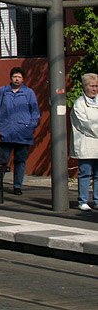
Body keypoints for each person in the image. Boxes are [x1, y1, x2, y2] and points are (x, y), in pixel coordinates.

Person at [0, 67, 40, 195]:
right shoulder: (3, 91)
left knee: (20, 161)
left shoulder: (29, 93)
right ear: (10, 78)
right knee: (1, 161)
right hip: (5, 133)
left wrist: (30, 126)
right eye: (14, 76)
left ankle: (17, 186)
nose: (16, 79)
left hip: (23, 133)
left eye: (19, 77)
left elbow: (35, 112)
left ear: (23, 79)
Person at [70, 73, 98, 212]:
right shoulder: (79, 104)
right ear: (85, 86)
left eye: (96, 86)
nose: (94, 89)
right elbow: (85, 124)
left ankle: (97, 200)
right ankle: (83, 200)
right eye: (92, 86)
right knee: (85, 172)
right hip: (86, 144)